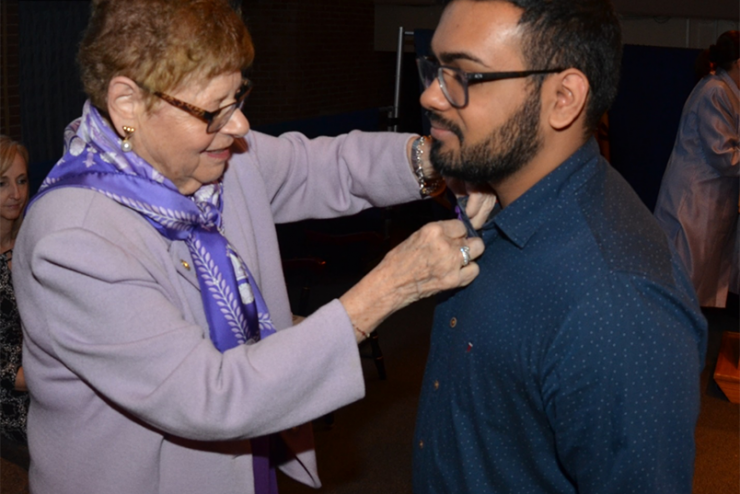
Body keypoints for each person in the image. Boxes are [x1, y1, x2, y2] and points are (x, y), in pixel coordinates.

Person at [12, 1, 491, 493]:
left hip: (241, 457)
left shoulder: (215, 161)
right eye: (215, 109)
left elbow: (329, 167)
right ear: (128, 104)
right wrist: (387, 290)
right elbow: (211, 396)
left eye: (238, 97)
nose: (239, 126)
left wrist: (438, 160)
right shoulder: (73, 242)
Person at [412, 1, 707, 493]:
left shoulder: (616, 301)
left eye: (464, 75)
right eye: (435, 68)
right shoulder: (498, 199)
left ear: (564, 98)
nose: (429, 96)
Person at [653, 31, 740, 308]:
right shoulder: (714, 90)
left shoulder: (728, 91)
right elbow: (723, 155)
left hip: (712, 207)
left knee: (703, 295)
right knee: (684, 293)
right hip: (693, 208)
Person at [0, 136, 30, 468]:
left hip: (45, 375)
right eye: (2, 183)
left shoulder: (31, 241)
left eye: (21, 181)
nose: (16, 194)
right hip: (10, 398)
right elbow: (5, 371)